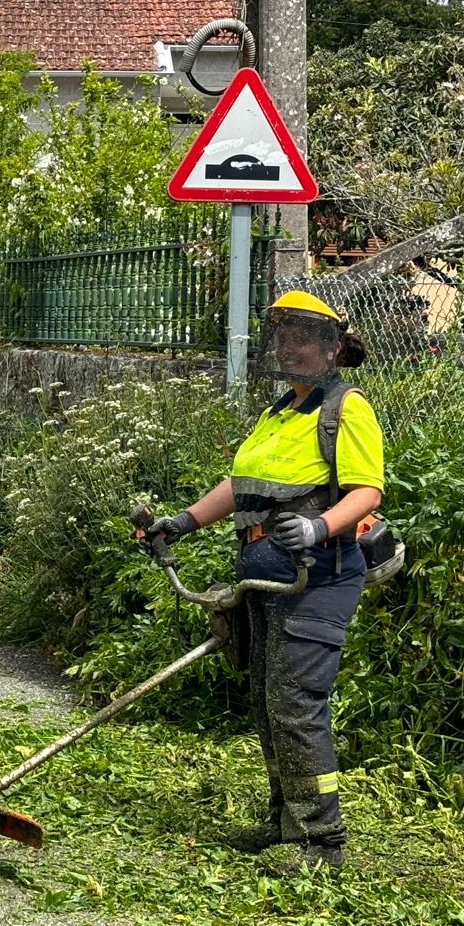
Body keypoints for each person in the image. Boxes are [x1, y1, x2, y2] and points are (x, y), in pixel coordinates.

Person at [148, 290, 384, 869]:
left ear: (331, 348)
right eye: (282, 336)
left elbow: (367, 491)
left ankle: (319, 840)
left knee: (296, 703)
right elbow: (242, 487)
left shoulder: (346, 408)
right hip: (264, 578)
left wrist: (319, 528)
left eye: (303, 337)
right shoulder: (278, 412)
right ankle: (287, 820)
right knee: (268, 699)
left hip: (317, 577)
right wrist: (182, 522)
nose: (290, 346)